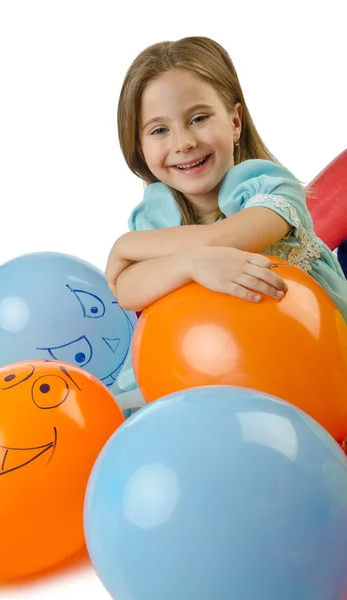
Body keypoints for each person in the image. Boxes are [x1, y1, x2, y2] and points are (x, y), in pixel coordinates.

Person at [105, 36, 347, 405]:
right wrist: (188, 264)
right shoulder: (157, 212)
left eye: (199, 119)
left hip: (304, 356)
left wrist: (126, 247)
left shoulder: (269, 185)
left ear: (234, 122)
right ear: (139, 146)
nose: (183, 142)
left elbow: (224, 238)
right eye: (159, 130)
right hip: (207, 364)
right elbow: (127, 290)